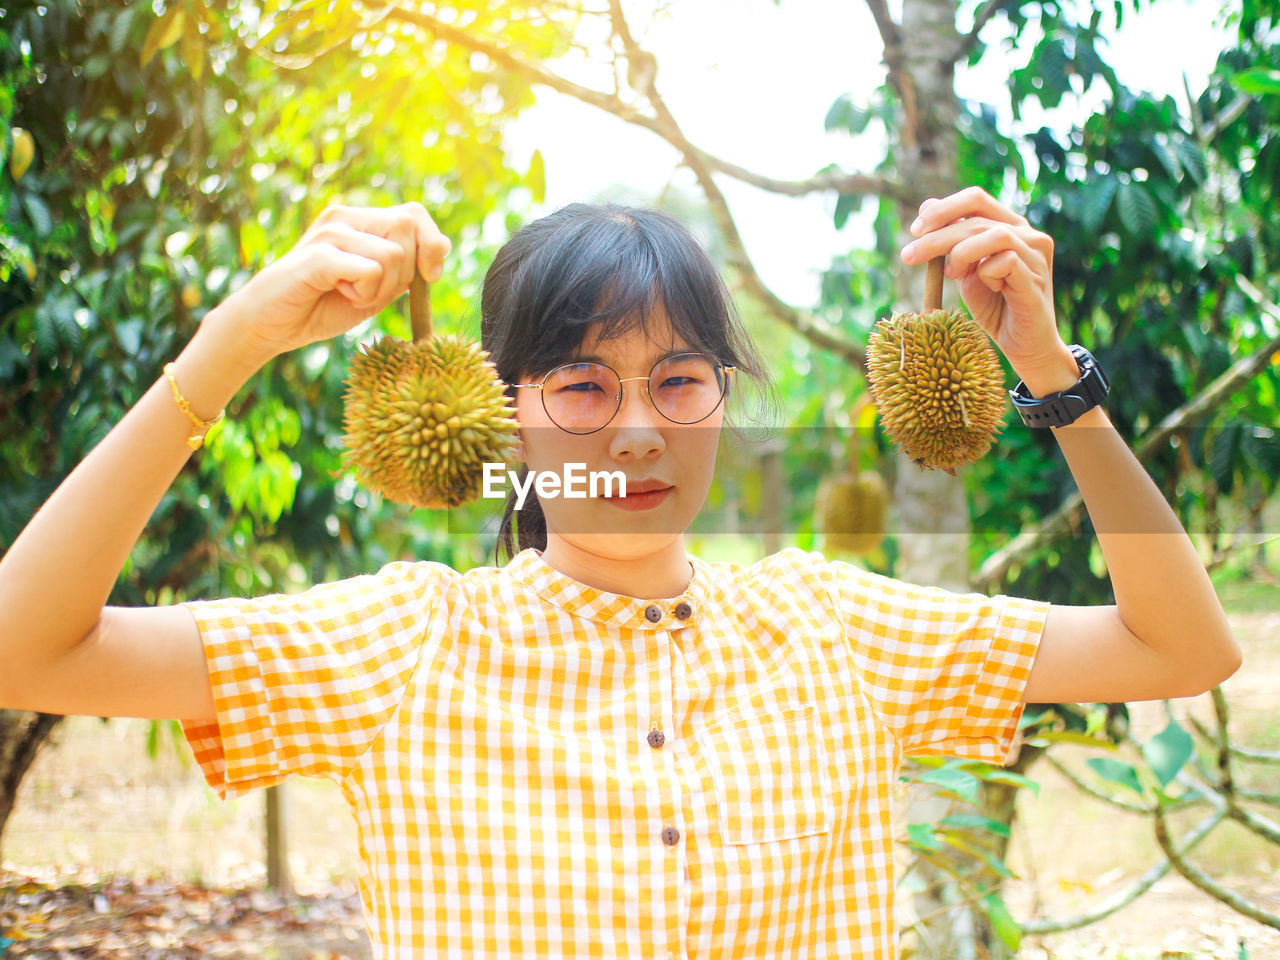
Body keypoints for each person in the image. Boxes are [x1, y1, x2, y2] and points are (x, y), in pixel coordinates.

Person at [0, 186, 1241, 960]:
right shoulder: (404, 643)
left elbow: (1179, 648)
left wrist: (1052, 378)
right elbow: (25, 646)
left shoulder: (829, 625)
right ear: (502, 408)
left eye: (680, 379)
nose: (637, 429)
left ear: (721, 399)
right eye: (583, 384)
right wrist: (230, 347)